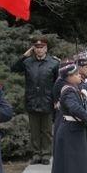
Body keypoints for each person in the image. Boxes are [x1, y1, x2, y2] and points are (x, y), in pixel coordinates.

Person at [50, 63, 87, 173]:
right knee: (66, 168)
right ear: (68, 77)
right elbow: (73, 107)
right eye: (75, 75)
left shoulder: (73, 89)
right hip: (69, 132)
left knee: (68, 167)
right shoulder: (68, 91)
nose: (79, 76)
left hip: (71, 131)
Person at [11, 36, 59, 165]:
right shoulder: (28, 62)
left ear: (46, 48)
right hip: (32, 100)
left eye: (41, 47)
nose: (39, 50)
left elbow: (57, 83)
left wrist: (57, 99)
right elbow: (14, 68)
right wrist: (24, 56)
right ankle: (36, 154)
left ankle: (46, 154)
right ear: (33, 48)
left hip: (47, 100)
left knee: (47, 131)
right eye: (36, 47)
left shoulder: (54, 63)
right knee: (34, 131)